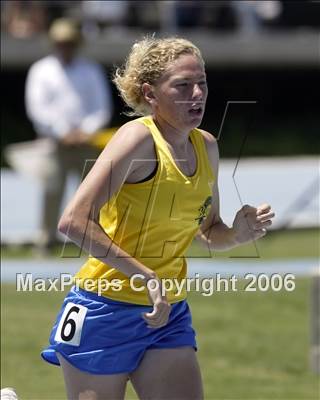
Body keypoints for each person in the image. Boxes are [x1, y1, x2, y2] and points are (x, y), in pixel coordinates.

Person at [41, 37, 275, 399]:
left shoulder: (207, 146)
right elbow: (73, 221)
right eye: (182, 85)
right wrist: (145, 276)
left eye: (202, 82)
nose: (197, 93)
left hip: (168, 313)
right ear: (151, 94)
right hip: (104, 308)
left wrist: (238, 234)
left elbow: (209, 232)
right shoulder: (137, 140)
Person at [25, 17, 113, 251]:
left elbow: (101, 106)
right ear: (54, 43)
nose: (65, 46)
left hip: (87, 141)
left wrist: (85, 131)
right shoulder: (41, 70)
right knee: (52, 191)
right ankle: (46, 240)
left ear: (76, 43)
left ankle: (93, 242)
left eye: (69, 42)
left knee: (92, 194)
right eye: (61, 42)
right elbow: (37, 107)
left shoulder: (90, 69)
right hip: (54, 142)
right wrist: (62, 131)